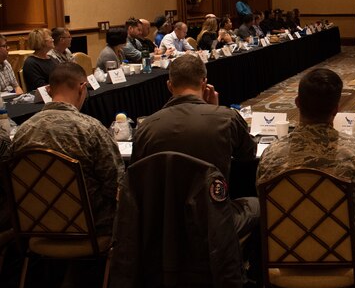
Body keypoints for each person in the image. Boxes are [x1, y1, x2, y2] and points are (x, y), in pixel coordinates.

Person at [256, 68, 355, 266]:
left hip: (286, 250)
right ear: (336, 109)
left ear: (297, 103)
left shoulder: (270, 155)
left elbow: (267, 208)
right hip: (350, 252)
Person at [131, 54, 258, 238]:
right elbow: (247, 155)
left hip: (163, 224)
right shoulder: (226, 118)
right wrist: (215, 110)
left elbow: (136, 176)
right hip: (213, 219)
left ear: (169, 85)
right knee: (258, 206)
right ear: (205, 83)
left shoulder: (146, 127)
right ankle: (241, 264)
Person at [13, 62, 124, 234]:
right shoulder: (92, 129)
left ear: (48, 90)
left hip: (35, 227)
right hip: (91, 227)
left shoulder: (23, 132)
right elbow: (115, 185)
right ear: (83, 87)